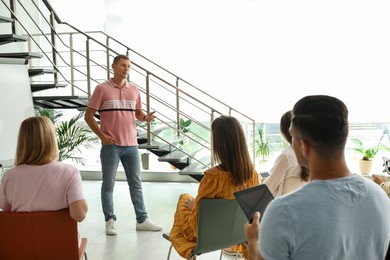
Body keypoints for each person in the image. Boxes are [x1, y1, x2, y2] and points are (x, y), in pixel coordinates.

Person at [244, 95, 390, 259]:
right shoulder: (380, 197)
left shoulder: (283, 212)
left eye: (292, 137)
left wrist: (254, 241)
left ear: (304, 145)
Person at [84, 54, 162, 235]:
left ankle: (142, 220)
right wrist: (102, 136)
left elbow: (138, 113)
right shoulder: (101, 89)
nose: (126, 69)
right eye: (123, 65)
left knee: (136, 184)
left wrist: (146, 118)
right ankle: (110, 220)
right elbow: (88, 116)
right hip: (111, 145)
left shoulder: (134, 90)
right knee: (108, 184)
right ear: (113, 66)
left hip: (132, 145)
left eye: (128, 66)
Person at [168, 115, 260, 259]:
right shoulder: (253, 174)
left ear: (218, 144)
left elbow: (197, 223)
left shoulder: (212, 178)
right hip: (239, 233)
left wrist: (194, 207)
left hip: (207, 236)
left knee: (184, 197)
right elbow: (252, 212)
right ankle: (230, 245)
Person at [0, 116, 88, 222]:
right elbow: (79, 215)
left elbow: (7, 212)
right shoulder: (69, 172)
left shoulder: (9, 176)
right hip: (58, 238)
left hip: (21, 238)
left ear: (22, 142)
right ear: (51, 139)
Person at [263, 110, 309, 197]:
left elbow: (268, 188)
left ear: (283, 131)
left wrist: (263, 181)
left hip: (282, 206)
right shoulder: (310, 153)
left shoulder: (287, 156)